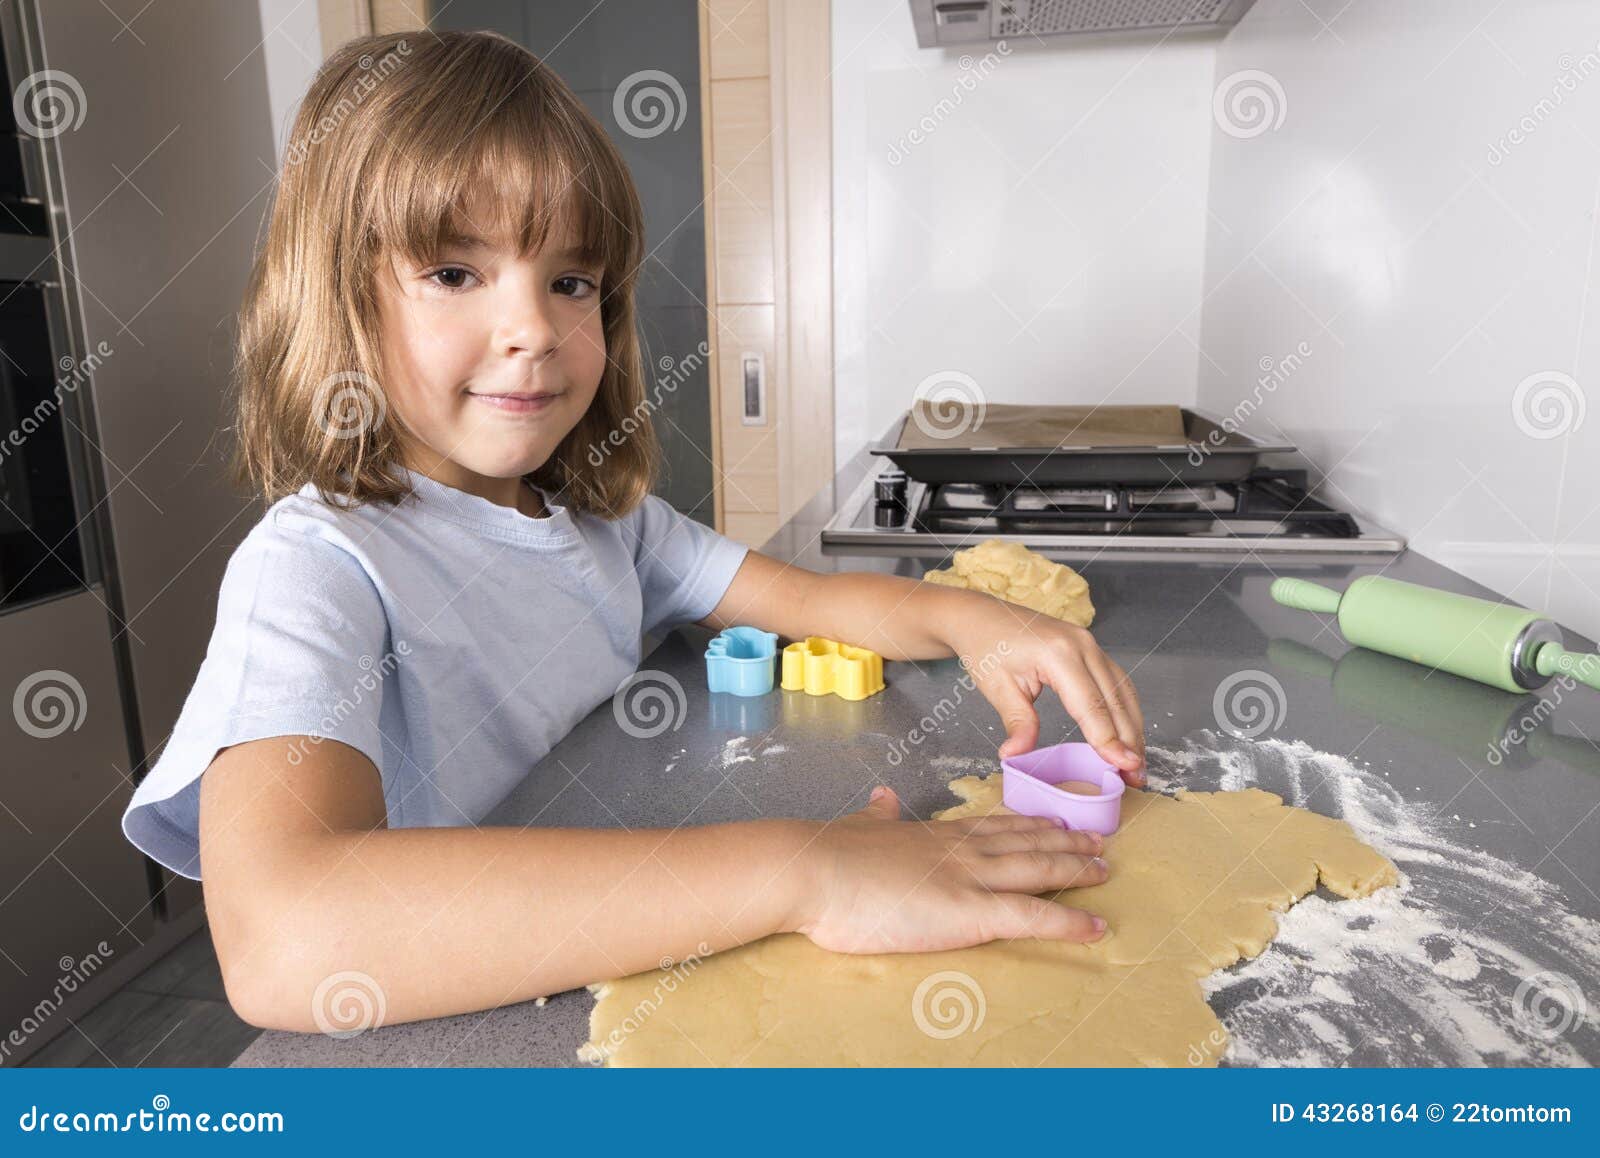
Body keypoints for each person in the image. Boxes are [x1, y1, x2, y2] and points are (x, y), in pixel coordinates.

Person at [122, 30, 1145, 1032]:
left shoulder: (605, 528)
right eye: (454, 272)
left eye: (571, 281)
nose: (534, 329)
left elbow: (810, 600)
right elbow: (283, 937)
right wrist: (808, 867)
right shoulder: (317, 567)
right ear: (336, 298)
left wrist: (976, 621)